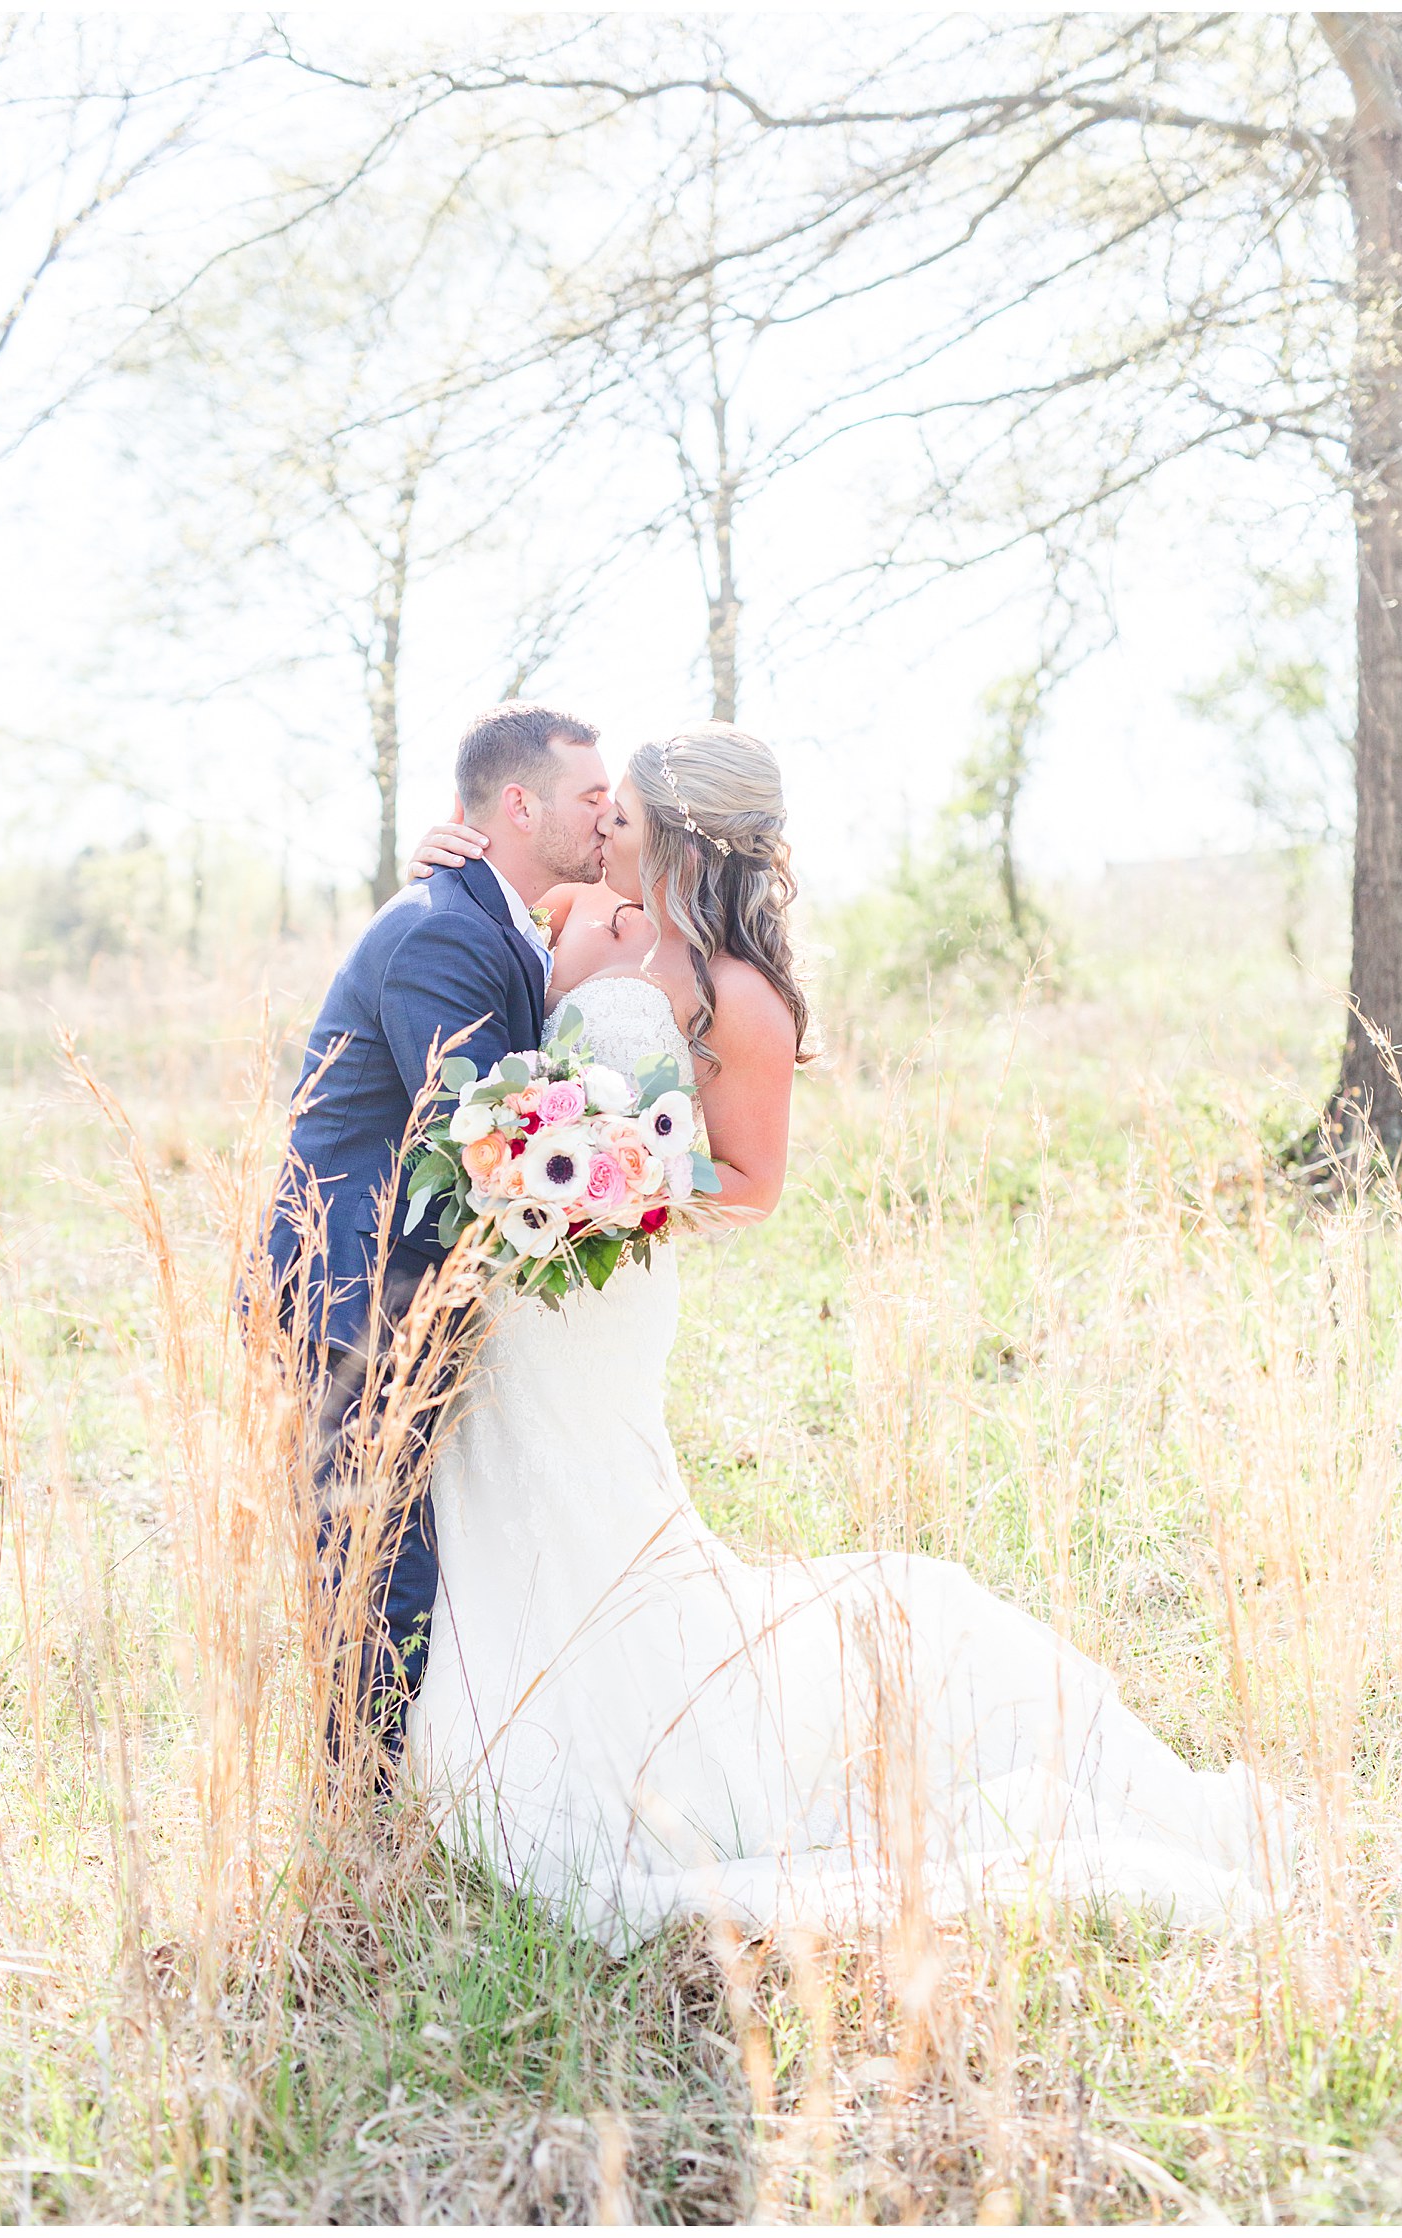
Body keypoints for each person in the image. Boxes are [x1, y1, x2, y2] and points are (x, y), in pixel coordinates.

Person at [401, 722, 1291, 1950]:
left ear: (674, 832)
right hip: (518, 1277)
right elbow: (492, 938)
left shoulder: (739, 994)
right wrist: (447, 858)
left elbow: (753, 1183)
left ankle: (657, 1773)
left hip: (610, 1277)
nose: (599, 826)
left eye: (621, 815)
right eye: (594, 812)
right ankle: (499, 1740)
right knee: (502, 1494)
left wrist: (611, 1186)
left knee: (595, 1504)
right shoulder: (578, 922)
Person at [263, 702, 612, 1776]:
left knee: (393, 1545)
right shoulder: (445, 929)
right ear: (519, 805)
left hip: (407, 1286)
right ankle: (359, 1818)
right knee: (372, 1557)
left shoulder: (493, 913)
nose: (611, 819)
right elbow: (483, 1132)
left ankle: (394, 1791)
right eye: (593, 799)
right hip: (358, 1286)